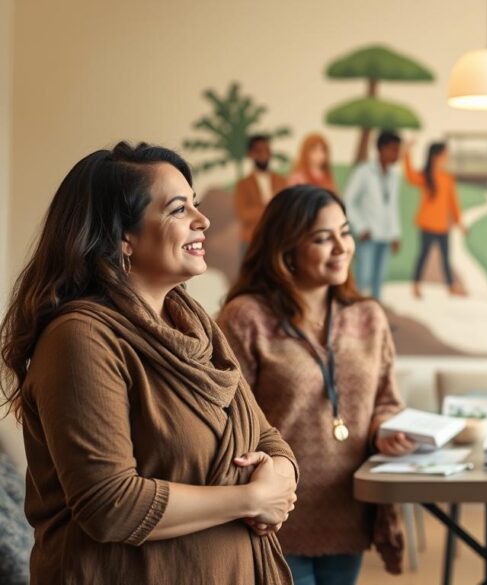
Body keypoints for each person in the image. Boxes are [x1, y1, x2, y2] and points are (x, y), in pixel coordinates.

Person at [0, 142, 298, 584]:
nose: (204, 220)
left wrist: (280, 475)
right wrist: (252, 499)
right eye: (179, 210)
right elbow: (110, 503)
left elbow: (269, 438)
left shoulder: (199, 329)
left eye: (196, 204)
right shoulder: (80, 338)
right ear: (123, 237)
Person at [219, 185, 416, 585]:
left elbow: (385, 400)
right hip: (275, 516)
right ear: (286, 250)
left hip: (348, 509)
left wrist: (384, 431)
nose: (342, 247)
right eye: (323, 239)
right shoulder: (245, 318)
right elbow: (227, 420)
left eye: (345, 232)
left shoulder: (368, 317)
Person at [343, 130, 403, 299]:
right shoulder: (364, 172)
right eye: (393, 149)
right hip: (367, 236)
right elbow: (347, 201)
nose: (397, 154)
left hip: (385, 236)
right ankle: (358, 315)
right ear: (380, 149)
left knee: (379, 280)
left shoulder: (394, 176)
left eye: (398, 150)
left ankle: (375, 318)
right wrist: (360, 227)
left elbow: (392, 207)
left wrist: (395, 233)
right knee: (363, 278)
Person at [404, 141, 465, 298]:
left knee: (445, 257)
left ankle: (451, 286)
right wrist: (407, 153)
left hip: (443, 226)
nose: (447, 158)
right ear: (436, 156)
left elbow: (453, 202)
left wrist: (459, 222)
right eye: (445, 154)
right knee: (423, 255)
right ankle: (416, 285)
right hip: (427, 225)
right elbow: (410, 176)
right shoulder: (425, 176)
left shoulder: (447, 178)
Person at [235, 134, 288, 249]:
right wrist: (270, 209)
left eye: (267, 150)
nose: (264, 154)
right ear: (250, 154)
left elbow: (286, 209)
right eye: (259, 151)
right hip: (251, 239)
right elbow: (243, 213)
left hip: (278, 238)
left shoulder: (281, 181)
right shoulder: (243, 185)